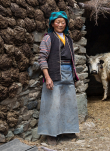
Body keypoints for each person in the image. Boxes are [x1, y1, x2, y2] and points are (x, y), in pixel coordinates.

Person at [38, 11, 80, 145]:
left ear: (66, 24)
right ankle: (51, 134)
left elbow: (72, 59)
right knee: (53, 104)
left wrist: (74, 76)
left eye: (63, 22)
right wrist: (47, 77)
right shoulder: (48, 38)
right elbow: (42, 58)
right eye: (58, 22)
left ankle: (67, 130)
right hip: (54, 73)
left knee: (68, 103)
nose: (60, 24)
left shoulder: (68, 39)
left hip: (68, 73)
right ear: (52, 23)